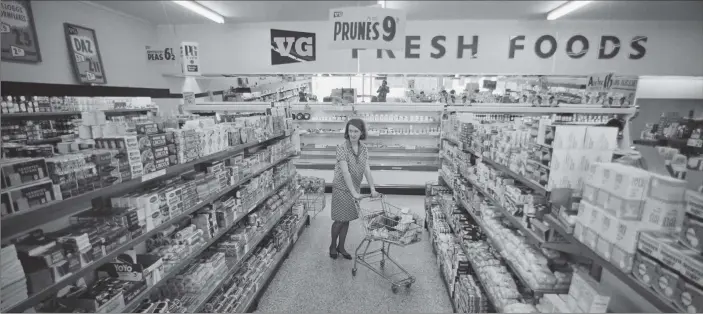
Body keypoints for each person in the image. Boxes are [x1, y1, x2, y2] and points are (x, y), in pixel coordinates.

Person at [329, 118, 379, 259]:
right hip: (341, 188)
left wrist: (372, 189)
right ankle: (333, 245)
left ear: (362, 132)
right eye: (350, 131)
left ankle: (341, 247)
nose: (353, 134)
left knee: (347, 219)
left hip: (354, 188)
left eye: (356, 131)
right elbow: (345, 172)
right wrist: (353, 193)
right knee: (339, 219)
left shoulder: (364, 149)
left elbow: (367, 170)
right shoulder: (342, 148)